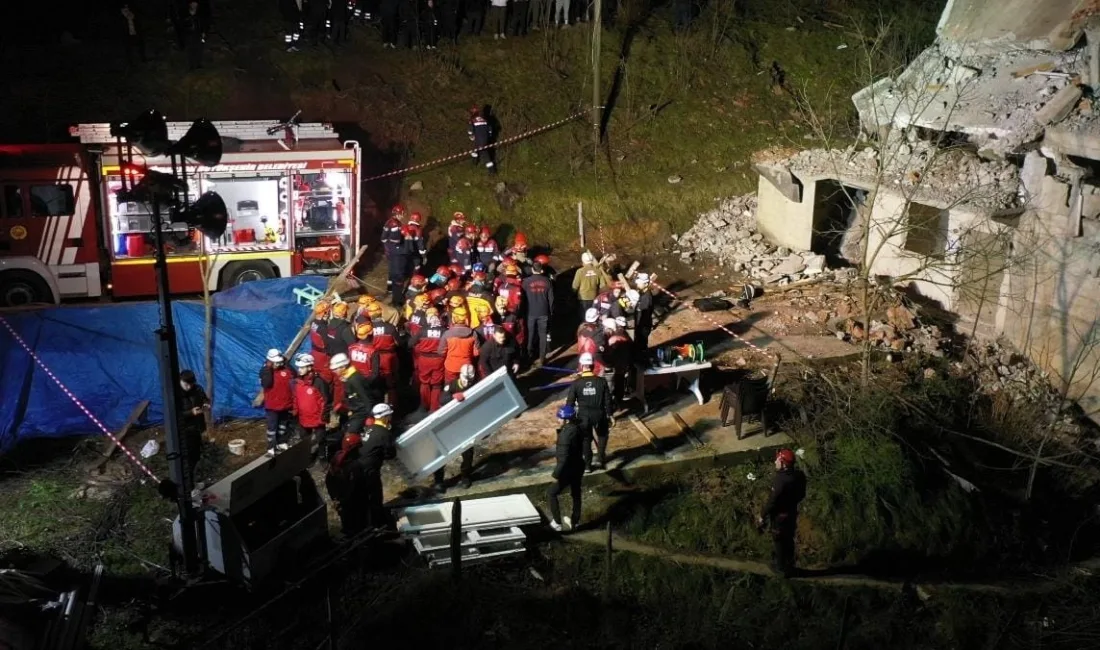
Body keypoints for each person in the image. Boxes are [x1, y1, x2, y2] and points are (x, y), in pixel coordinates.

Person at [757, 449, 807, 577]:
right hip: (792, 513)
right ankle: (790, 565)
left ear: (783, 463)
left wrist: (762, 515)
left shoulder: (780, 481)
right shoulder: (799, 475)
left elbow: (772, 501)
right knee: (789, 539)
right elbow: (802, 494)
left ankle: (781, 568)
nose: (775, 462)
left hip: (780, 516)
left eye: (777, 460)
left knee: (779, 540)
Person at [432, 364, 477, 492]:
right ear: (460, 375)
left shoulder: (476, 386)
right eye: (465, 379)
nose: (467, 382)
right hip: (450, 423)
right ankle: (439, 481)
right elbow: (441, 399)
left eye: (470, 380)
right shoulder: (451, 385)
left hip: (466, 424)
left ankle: (465, 476)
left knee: (468, 453)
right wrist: (452, 397)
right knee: (440, 452)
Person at [566, 353, 613, 471]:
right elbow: (608, 400)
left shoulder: (576, 383)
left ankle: (587, 465)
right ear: (593, 365)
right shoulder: (601, 382)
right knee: (602, 435)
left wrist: (567, 418)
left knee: (585, 439)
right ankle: (600, 460)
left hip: (583, 417)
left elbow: (570, 402)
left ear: (582, 366)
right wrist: (610, 414)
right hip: (599, 415)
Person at [547, 404, 584, 532]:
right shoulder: (577, 428)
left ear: (566, 420)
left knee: (551, 493)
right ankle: (576, 521)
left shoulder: (565, 435)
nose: (557, 420)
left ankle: (557, 523)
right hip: (579, 466)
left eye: (559, 418)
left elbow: (563, 460)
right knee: (576, 493)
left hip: (568, 470)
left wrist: (556, 475)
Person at [361, 403, 398, 528]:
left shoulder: (369, 429)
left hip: (359, 467)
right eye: (389, 416)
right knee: (375, 497)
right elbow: (390, 454)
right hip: (370, 470)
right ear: (385, 417)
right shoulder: (384, 433)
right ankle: (377, 525)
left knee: (364, 496)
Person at [326, 433, 368, 536]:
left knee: (347, 523)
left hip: (340, 499)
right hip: (353, 503)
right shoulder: (355, 466)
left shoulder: (336, 458)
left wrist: (335, 499)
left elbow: (328, 479)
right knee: (357, 526)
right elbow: (355, 488)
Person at [331, 353, 377, 436]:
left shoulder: (355, 380)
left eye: (335, 369)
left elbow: (367, 398)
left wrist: (371, 416)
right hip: (354, 411)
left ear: (343, 367)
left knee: (350, 435)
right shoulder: (347, 378)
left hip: (361, 413)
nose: (334, 371)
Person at [292, 354, 330, 454]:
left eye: (302, 367)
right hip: (303, 418)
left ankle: (323, 458)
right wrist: (295, 412)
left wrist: (323, 417)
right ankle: (306, 459)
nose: (299, 369)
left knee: (321, 440)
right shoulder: (298, 382)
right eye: (298, 367)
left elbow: (325, 401)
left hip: (317, 419)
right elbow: (296, 398)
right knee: (305, 441)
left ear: (309, 367)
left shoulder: (319, 382)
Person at [411, 308, 447, 411]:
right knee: (436, 384)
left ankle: (424, 405)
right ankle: (434, 408)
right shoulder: (443, 330)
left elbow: (411, 343)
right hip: (438, 360)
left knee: (424, 382)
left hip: (424, 359)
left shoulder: (422, 330)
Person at [260, 349, 295, 455]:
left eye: (280, 362)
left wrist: (286, 363)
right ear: (270, 361)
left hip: (285, 404)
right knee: (272, 427)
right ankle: (271, 446)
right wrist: (268, 368)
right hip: (272, 406)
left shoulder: (286, 369)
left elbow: (295, 375)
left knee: (282, 425)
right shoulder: (265, 371)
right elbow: (267, 383)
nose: (278, 364)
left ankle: (281, 441)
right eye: (276, 362)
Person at [178, 369, 209, 483]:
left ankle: (193, 483)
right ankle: (188, 487)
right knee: (187, 461)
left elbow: (205, 398)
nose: (189, 387)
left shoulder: (197, 388)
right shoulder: (175, 394)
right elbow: (174, 415)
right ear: (180, 381)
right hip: (184, 430)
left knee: (196, 456)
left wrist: (206, 403)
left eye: (191, 384)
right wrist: (191, 412)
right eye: (186, 384)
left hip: (197, 427)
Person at [522, 261, 554, 366]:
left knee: (530, 335)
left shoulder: (526, 282)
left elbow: (522, 299)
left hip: (530, 312)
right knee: (543, 335)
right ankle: (542, 358)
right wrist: (551, 311)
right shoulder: (547, 281)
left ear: (532, 269)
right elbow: (551, 299)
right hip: (544, 312)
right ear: (541, 270)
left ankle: (529, 356)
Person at [438, 306, 479, 383]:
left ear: (453, 319)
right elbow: (476, 353)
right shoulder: (473, 334)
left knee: (450, 388)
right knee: (466, 389)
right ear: (466, 319)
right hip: (466, 367)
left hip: (451, 366)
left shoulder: (447, 334)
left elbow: (441, 352)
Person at [603, 318, 633, 407]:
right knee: (620, 384)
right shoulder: (626, 335)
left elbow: (610, 352)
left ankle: (612, 404)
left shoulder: (614, 337)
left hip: (616, 366)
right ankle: (618, 402)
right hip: (623, 365)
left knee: (612, 386)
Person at [572, 251, 610, 315]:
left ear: (583, 260)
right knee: (593, 315)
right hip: (594, 298)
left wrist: (571, 296)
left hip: (583, 299)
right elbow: (602, 286)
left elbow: (575, 286)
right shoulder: (597, 271)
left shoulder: (580, 271)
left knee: (584, 317)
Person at [467, 106, 496, 174]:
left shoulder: (472, 120)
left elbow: (470, 130)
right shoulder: (484, 119)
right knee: (475, 152)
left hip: (478, 140)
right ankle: (473, 165)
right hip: (485, 139)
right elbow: (490, 130)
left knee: (485, 155)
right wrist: (488, 136)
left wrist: (471, 136)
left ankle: (492, 172)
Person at [632, 273, 655, 356]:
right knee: (638, 342)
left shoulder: (647, 297)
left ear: (646, 284)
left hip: (643, 325)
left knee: (641, 344)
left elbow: (644, 314)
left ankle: (641, 357)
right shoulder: (642, 293)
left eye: (639, 283)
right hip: (639, 323)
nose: (637, 284)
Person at [184, 1, 205, 71]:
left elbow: (201, 24)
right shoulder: (186, 15)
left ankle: (198, 64)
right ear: (190, 5)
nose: (195, 6)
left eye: (196, 4)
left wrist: (203, 32)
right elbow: (183, 25)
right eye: (193, 4)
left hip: (198, 34)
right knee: (190, 50)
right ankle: (191, 66)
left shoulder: (199, 15)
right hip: (189, 35)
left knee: (199, 49)